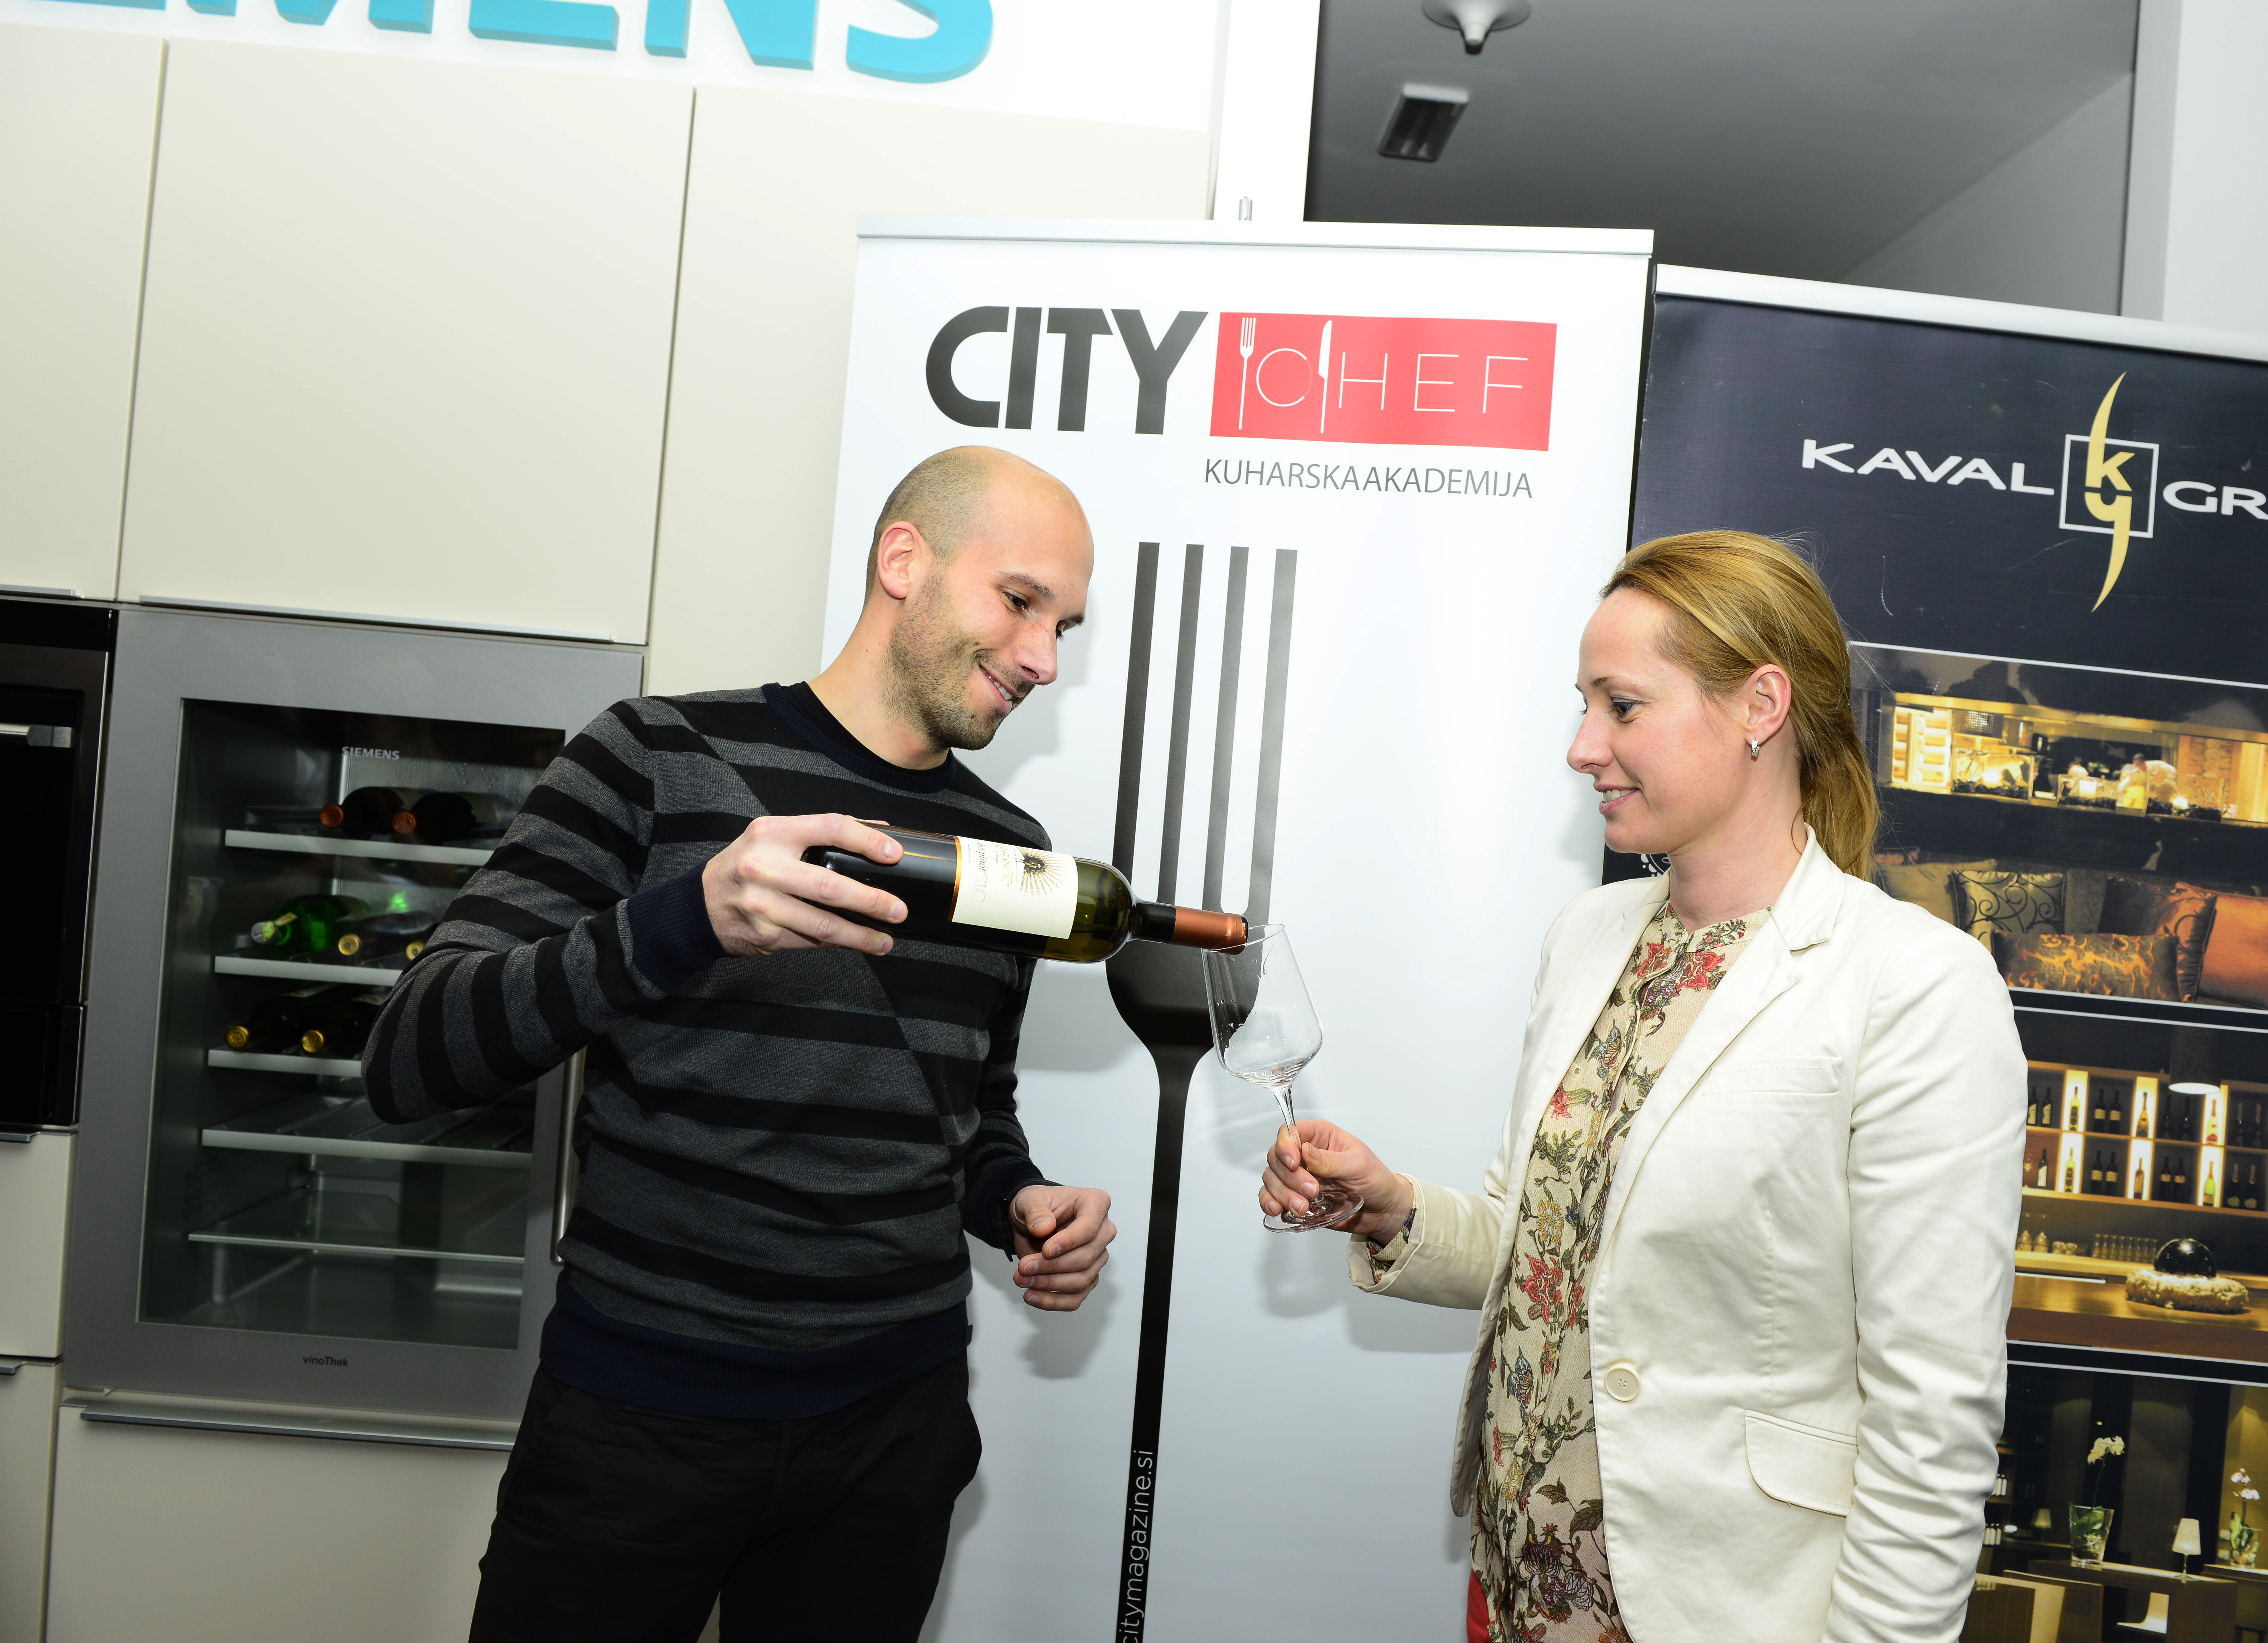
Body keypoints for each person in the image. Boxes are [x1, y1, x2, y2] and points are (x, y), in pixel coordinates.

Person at [364, 446, 1119, 1643]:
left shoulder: (1007, 856)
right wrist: (684, 920)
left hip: (892, 1431)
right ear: (904, 561)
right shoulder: (652, 755)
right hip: (637, 1417)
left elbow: (968, 1111)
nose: (1044, 660)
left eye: (1062, 625)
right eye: (1020, 602)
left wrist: (1017, 1200)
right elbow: (411, 1059)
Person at [1261, 530, 2025, 1643]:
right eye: (1585, 707)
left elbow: (1934, 1420)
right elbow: (1550, 1253)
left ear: (1761, 705)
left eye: (1621, 706)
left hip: (1719, 1609)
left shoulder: (1913, 985)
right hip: (1518, 1588)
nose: (1582, 748)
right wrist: (1394, 1209)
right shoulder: (1588, 935)